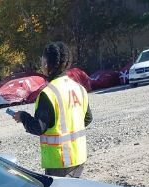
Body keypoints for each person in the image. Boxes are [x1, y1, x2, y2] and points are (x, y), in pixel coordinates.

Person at [13, 42, 92, 177]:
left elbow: (38, 127)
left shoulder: (48, 93)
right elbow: (87, 118)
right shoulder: (79, 88)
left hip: (59, 161)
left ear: (46, 63)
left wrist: (23, 117)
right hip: (78, 156)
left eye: (42, 59)